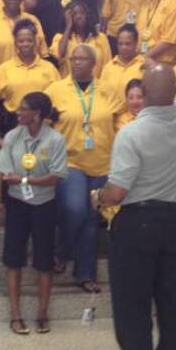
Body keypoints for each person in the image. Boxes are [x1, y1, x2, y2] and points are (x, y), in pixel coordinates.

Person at [91, 63, 176, 350]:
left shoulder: (131, 135)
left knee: (133, 322)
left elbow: (117, 192)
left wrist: (96, 197)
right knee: (172, 319)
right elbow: (172, 100)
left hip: (138, 229)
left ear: (143, 97)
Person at [45, 44, 124, 292]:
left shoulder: (109, 90)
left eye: (82, 59)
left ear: (94, 64)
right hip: (70, 162)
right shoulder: (56, 90)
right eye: (73, 58)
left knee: (91, 219)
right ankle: (61, 251)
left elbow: (121, 119)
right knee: (76, 209)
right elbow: (44, 126)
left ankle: (85, 274)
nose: (76, 62)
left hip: (102, 163)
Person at [0, 92, 67, 335]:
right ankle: (15, 316)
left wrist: (24, 178)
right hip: (17, 203)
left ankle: (42, 314)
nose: (18, 112)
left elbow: (55, 177)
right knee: (13, 260)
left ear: (36, 115)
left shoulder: (55, 139)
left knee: (44, 262)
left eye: (23, 109)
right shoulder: (13, 136)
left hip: (44, 205)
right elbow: (1, 170)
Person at [0, 19, 60, 136]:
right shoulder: (4, 69)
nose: (25, 44)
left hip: (43, 125)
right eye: (21, 41)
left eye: (29, 40)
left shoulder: (49, 68)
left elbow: (59, 95)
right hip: (13, 124)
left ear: (35, 41)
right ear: (15, 43)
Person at [50, 0, 111, 77]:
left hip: (96, 85)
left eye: (82, 13)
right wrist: (68, 26)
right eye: (74, 14)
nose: (79, 16)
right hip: (69, 86)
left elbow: (107, 66)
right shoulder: (59, 38)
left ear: (87, 15)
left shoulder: (101, 38)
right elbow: (59, 55)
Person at [101, 24, 146, 99]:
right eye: (120, 44)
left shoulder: (144, 66)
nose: (123, 47)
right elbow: (101, 94)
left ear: (136, 43)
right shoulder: (109, 67)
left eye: (127, 44)